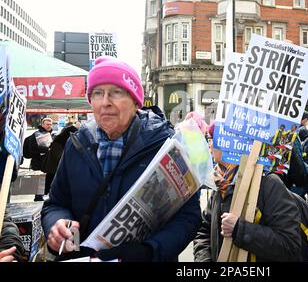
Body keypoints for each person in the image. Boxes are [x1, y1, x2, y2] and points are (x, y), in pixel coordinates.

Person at [41, 57, 201, 262]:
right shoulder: (77, 144)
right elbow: (55, 203)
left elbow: (189, 217)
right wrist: (57, 227)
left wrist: (149, 251)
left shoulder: (166, 145)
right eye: (97, 93)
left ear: (135, 102)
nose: (105, 102)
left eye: (116, 92)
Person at [193, 122, 303, 262]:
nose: (209, 145)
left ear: (230, 142)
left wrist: (240, 229)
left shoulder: (269, 184)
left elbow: (290, 245)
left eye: (212, 139)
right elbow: (204, 231)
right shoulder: (220, 182)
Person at [23, 117, 54, 202]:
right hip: (38, 163)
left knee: (49, 180)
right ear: (42, 124)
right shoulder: (36, 134)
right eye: (47, 124)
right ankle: (38, 197)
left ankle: (47, 196)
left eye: (50, 124)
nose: (49, 126)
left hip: (49, 163)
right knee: (39, 181)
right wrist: (46, 150)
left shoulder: (52, 135)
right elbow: (32, 148)